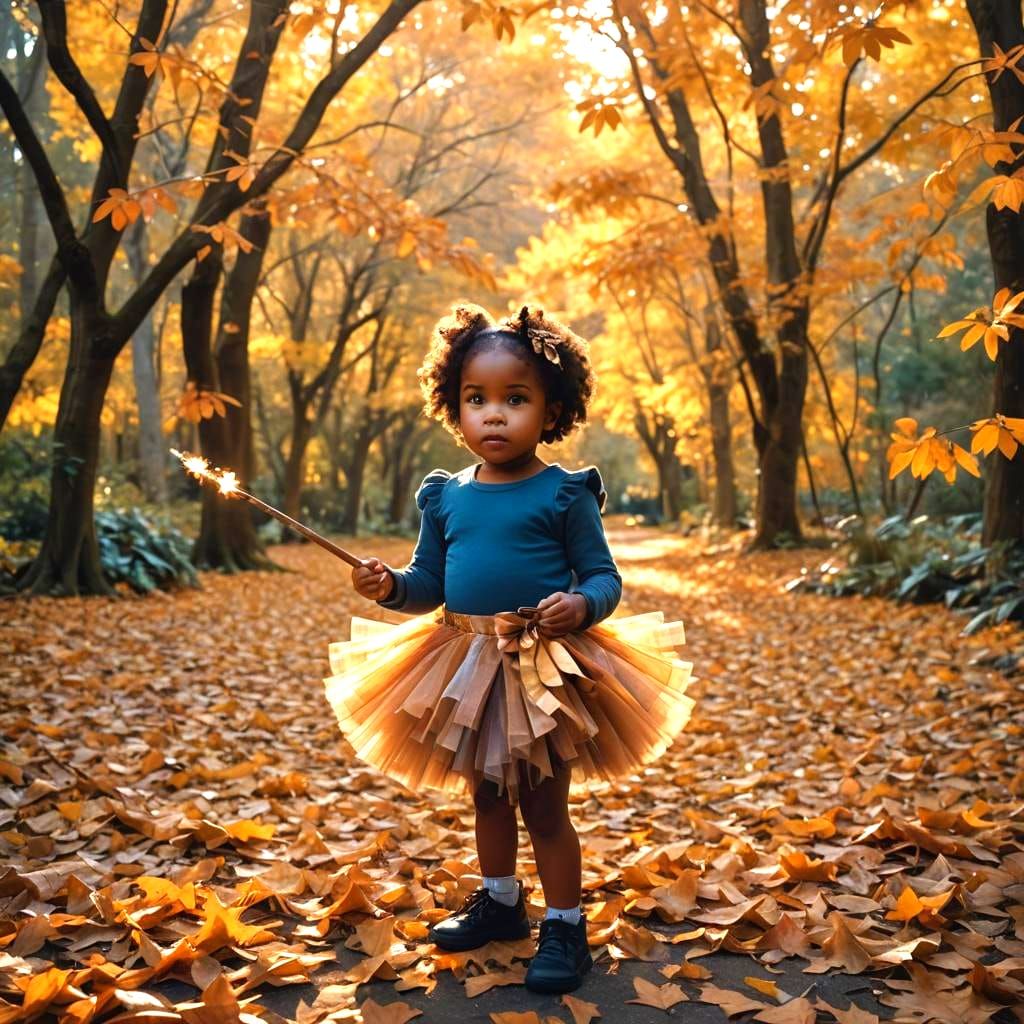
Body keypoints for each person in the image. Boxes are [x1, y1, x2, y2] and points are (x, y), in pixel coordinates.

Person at [324, 302, 695, 994]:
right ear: (453, 406)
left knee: (546, 806)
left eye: (515, 399)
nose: (493, 415)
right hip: (463, 665)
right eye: (477, 399)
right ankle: (499, 902)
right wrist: (386, 588)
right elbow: (427, 584)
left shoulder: (565, 494)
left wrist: (582, 604)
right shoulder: (445, 497)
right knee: (489, 798)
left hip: (543, 667)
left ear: (552, 411)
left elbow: (605, 578)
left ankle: (565, 924)